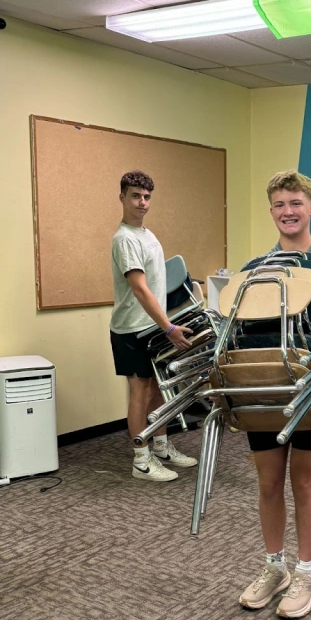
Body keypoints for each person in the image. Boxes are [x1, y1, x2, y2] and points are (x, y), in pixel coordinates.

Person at [238, 170, 311, 619]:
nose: (288, 212)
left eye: (295, 203)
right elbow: (243, 330)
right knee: (268, 483)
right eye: (280, 205)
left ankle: (306, 572)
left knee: (303, 483)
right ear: (271, 211)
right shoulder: (256, 269)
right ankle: (275, 568)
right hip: (264, 386)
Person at [110, 170, 198, 482]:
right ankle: (141, 461)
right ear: (122, 198)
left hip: (154, 327)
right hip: (132, 330)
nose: (142, 202)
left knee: (160, 390)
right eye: (135, 196)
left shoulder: (148, 235)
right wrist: (169, 328)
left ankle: (160, 446)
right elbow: (140, 289)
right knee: (141, 392)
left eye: (147, 196)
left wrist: (175, 319)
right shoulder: (125, 240)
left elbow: (160, 284)